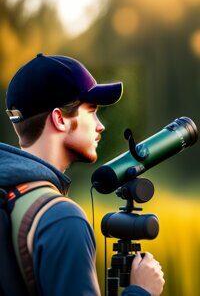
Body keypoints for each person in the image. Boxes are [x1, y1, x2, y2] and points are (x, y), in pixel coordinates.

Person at [1, 53, 165, 295]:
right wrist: (141, 289)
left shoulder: (9, 194)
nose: (101, 125)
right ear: (60, 119)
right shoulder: (63, 219)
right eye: (92, 111)